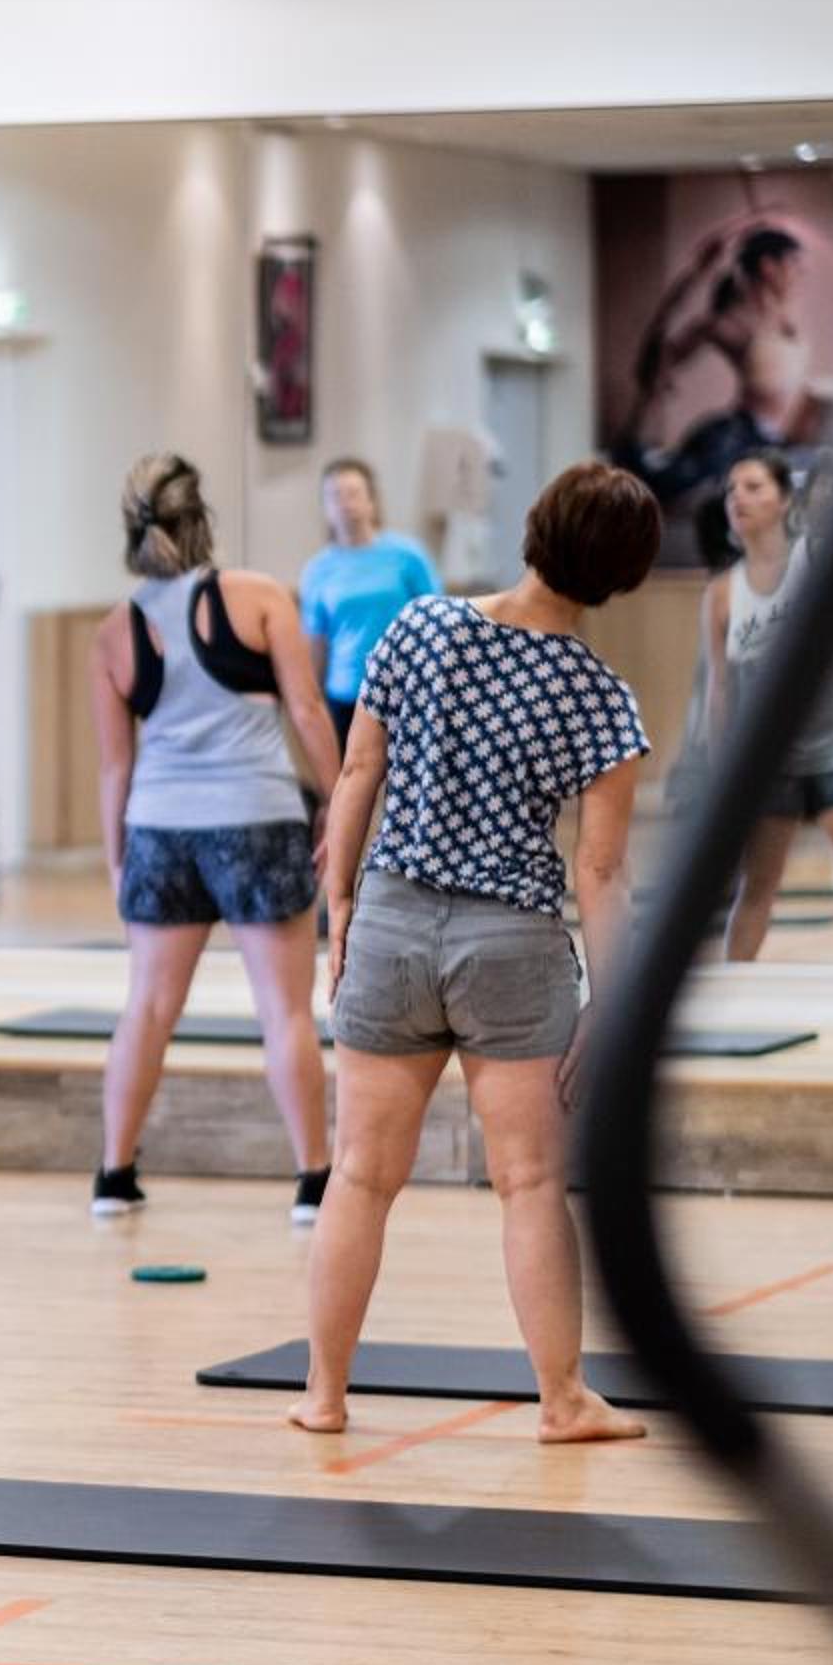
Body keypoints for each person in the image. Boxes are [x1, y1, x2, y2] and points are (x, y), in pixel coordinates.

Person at [293, 460, 660, 1445]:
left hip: (392, 927)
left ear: (535, 527)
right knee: (530, 1183)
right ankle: (563, 1400)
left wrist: (342, 902)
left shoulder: (418, 628)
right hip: (513, 946)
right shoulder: (601, 699)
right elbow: (601, 872)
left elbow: (358, 771)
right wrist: (614, 1001)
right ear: (623, 576)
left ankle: (324, 1396)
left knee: (358, 1174)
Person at [90, 453, 341, 1228]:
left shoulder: (114, 632)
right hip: (256, 819)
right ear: (203, 520)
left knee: (147, 1007)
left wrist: (117, 858)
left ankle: (114, 1176)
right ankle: (313, 1182)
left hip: (160, 828)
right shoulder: (259, 596)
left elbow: (114, 766)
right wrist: (342, 799)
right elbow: (306, 711)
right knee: (285, 1010)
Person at [706, 453, 833, 962]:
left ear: (784, 501)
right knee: (757, 889)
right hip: (769, 764)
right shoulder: (723, 593)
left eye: (753, 487)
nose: (738, 497)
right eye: (731, 489)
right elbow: (721, 688)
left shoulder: (830, 564)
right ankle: (734, 989)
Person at [616, 222, 828, 511]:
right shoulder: (732, 323)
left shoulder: (788, 318)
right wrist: (697, 272)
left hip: (780, 442)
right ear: (768, 267)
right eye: (794, 265)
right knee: (664, 486)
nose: (802, 274)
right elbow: (656, 356)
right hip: (739, 439)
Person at [298, 457, 443, 749]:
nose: (345, 504)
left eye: (353, 493)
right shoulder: (317, 570)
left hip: (405, 692)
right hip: (345, 696)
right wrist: (311, 703)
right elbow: (316, 644)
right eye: (335, 496)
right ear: (325, 507)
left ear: (371, 501)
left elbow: (437, 622)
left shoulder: (408, 555)